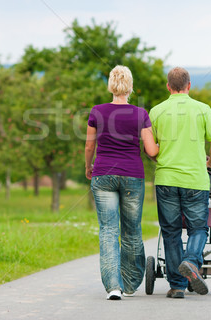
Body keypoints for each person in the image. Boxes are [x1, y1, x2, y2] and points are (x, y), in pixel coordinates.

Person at [85, 65, 159, 300]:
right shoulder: (140, 114)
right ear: (130, 87)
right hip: (132, 176)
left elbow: (89, 146)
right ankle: (130, 284)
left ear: (111, 85)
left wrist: (89, 166)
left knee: (108, 230)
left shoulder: (97, 111)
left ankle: (113, 287)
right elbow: (150, 150)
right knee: (132, 231)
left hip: (103, 173)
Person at [149, 67, 211, 299]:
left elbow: (150, 149)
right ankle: (191, 261)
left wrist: (158, 158)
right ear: (189, 86)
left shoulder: (156, 111)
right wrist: (210, 162)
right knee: (199, 227)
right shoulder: (202, 109)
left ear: (168, 87)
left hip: (166, 179)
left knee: (170, 232)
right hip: (195, 180)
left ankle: (178, 286)